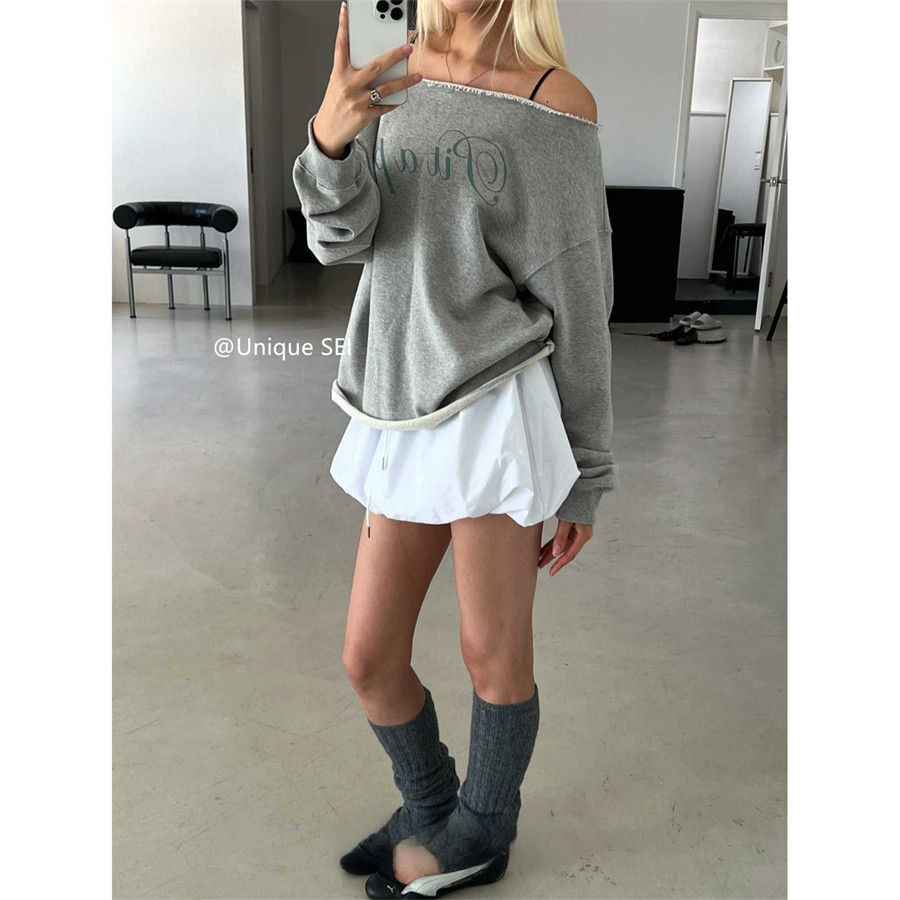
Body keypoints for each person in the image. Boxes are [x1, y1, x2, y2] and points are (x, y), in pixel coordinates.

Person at [292, 0, 618, 895]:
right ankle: (432, 803)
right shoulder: (389, 69)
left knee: (491, 653)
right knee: (368, 657)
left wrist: (587, 473)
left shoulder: (555, 101)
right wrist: (329, 142)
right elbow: (340, 243)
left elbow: (579, 291)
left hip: (492, 401)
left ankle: (483, 828)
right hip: (397, 400)